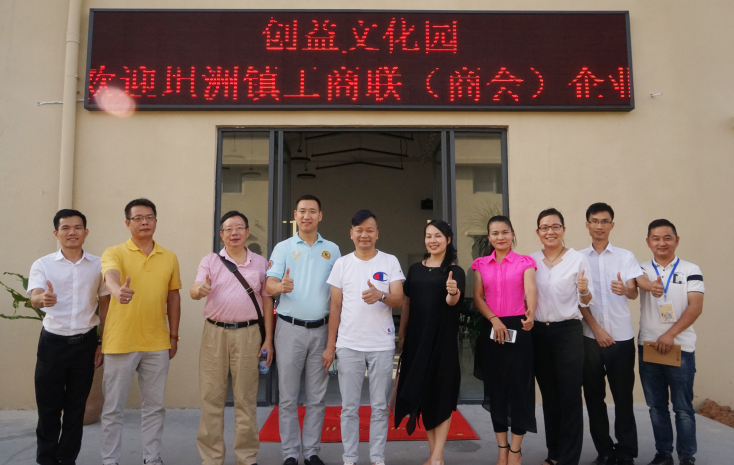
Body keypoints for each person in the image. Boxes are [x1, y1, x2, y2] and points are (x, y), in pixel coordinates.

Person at [100, 199, 182, 465]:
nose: (145, 222)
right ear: (127, 223)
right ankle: (110, 460)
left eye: (150, 217)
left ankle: (152, 458)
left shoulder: (169, 256)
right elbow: (110, 276)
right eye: (138, 218)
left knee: (154, 408)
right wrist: (117, 290)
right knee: (113, 408)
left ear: (156, 221)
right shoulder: (114, 252)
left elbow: (173, 297)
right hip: (120, 342)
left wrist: (173, 336)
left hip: (157, 343)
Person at [27, 209, 110, 465]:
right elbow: (34, 297)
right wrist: (42, 298)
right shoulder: (43, 264)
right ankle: (46, 460)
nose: (72, 232)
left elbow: (105, 304)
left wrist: (102, 342)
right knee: (48, 408)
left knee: (76, 410)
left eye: (77, 227)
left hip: (85, 345)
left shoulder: (99, 265)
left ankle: (67, 460)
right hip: (52, 344)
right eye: (65, 228)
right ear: (56, 233)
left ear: (86, 232)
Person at [190, 210, 274, 465]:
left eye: (239, 228)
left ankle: (246, 457)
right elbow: (194, 289)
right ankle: (212, 458)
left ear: (247, 232)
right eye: (228, 229)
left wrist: (268, 339)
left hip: (249, 334)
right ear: (221, 234)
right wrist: (199, 290)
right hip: (214, 334)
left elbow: (267, 301)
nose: (234, 233)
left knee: (246, 399)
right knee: (212, 398)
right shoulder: (210, 261)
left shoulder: (260, 263)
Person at [322, 210, 405, 465]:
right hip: (348, 345)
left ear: (377, 233)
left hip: (381, 345)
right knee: (349, 408)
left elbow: (399, 300)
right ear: (351, 234)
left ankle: (377, 458)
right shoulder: (342, 264)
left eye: (369, 230)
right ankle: (350, 458)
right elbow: (335, 306)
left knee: (379, 406)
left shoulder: (389, 261)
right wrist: (330, 346)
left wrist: (381, 295)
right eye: (359, 230)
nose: (364, 235)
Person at [265, 195, 340, 465]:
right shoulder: (283, 248)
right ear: (295, 215)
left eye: (312, 211)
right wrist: (279, 287)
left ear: (320, 216)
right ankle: (289, 453)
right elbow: (269, 284)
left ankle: (311, 452)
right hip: (289, 329)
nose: (307, 216)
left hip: (321, 330)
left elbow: (338, 294)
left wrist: (333, 341)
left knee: (317, 397)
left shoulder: (332, 249)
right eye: (302, 211)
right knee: (288, 397)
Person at [394, 220, 465, 465]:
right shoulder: (415, 269)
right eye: (428, 236)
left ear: (448, 239)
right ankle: (434, 454)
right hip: (416, 341)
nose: (432, 240)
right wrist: (402, 335)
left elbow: (453, 302)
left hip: (442, 342)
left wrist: (452, 292)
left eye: (438, 236)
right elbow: (407, 303)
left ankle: (437, 457)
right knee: (423, 394)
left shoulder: (456, 271)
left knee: (441, 395)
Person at [636, 219, 703, 465]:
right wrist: (640, 286)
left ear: (676, 240)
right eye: (656, 238)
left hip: (680, 347)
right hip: (649, 347)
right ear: (648, 242)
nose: (661, 242)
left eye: (667, 237)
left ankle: (686, 457)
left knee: (683, 408)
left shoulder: (691, 269)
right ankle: (663, 455)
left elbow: (695, 307)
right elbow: (634, 286)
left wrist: (670, 334)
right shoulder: (641, 268)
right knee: (656, 407)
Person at [580, 203, 642, 465]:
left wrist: (625, 290)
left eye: (605, 221)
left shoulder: (625, 256)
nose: (599, 226)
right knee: (594, 398)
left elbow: (634, 292)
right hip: (590, 339)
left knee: (623, 397)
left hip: (622, 339)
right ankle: (604, 451)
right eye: (594, 221)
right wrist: (597, 329)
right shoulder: (578, 258)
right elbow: (578, 301)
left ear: (612, 225)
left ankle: (626, 452)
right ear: (587, 225)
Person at [472, 216, 537, 465]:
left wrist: (531, 313)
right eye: (495, 233)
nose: (500, 237)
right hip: (492, 328)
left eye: (505, 232)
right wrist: (494, 319)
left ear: (512, 234)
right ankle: (502, 449)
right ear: (489, 237)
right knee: (496, 389)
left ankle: (515, 451)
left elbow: (530, 289)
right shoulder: (480, 264)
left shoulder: (525, 262)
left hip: (519, 327)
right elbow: (478, 297)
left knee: (520, 389)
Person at [531, 208, 593, 465]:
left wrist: (584, 290)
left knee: (569, 395)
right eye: (545, 227)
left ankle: (568, 458)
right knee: (549, 396)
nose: (550, 231)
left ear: (564, 230)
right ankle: (554, 454)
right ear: (538, 232)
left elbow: (586, 301)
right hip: (538, 333)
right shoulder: (531, 261)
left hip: (567, 332)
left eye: (555, 226)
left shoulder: (577, 259)